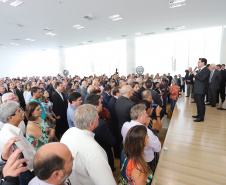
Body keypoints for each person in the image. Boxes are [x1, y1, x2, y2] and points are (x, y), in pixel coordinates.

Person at [61, 104, 116, 185]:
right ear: (92, 123)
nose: (99, 119)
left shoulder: (68, 133)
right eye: (97, 118)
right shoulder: (95, 150)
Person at [0, 102, 36, 185]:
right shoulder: (10, 136)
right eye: (19, 111)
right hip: (24, 173)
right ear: (10, 118)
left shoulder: (14, 128)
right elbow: (25, 158)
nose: (22, 112)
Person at [121, 104, 161, 170]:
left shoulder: (125, 125)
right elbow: (158, 148)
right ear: (140, 117)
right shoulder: (147, 132)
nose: (147, 115)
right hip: (145, 161)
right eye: (145, 114)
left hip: (130, 158)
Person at [85, 95, 116, 171]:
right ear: (95, 106)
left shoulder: (85, 118)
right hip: (104, 153)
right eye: (100, 103)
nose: (102, 105)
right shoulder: (100, 124)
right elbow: (112, 142)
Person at [192, 58, 210, 122]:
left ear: (203, 63)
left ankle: (201, 118)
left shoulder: (206, 70)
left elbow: (202, 79)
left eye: (199, 62)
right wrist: (195, 78)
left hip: (201, 90)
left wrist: (195, 74)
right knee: (198, 103)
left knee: (201, 104)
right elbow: (199, 79)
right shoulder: (200, 70)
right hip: (197, 89)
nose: (198, 63)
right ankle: (199, 115)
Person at [108, 86, 122, 159]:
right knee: (117, 140)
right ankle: (117, 155)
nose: (122, 94)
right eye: (120, 92)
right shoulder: (113, 101)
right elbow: (115, 114)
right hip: (115, 124)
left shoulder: (114, 99)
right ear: (117, 93)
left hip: (115, 123)